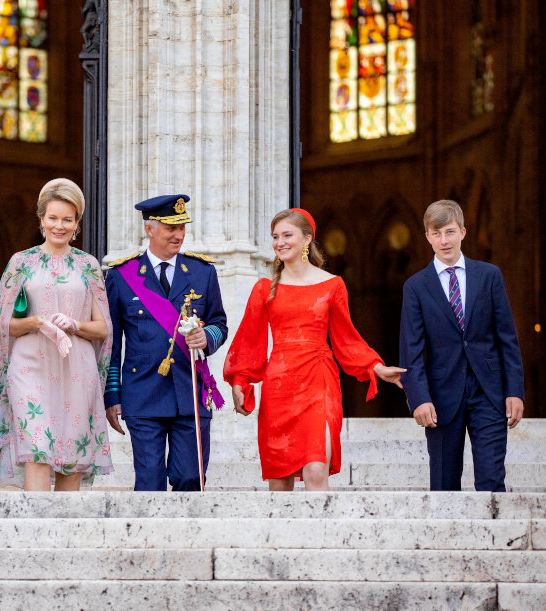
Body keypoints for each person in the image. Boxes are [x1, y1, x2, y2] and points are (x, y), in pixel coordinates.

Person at [224, 208, 404, 491]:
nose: (280, 242)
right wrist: (240, 380)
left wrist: (376, 367)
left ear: (307, 239)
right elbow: (249, 339)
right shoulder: (264, 288)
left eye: (287, 235)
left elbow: (347, 338)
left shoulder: (332, 284)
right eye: (275, 237)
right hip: (279, 385)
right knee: (279, 479)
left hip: (318, 380)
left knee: (316, 469)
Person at [0, 178, 114, 491]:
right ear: (41, 219)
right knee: (37, 449)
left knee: (71, 458)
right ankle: (33, 533)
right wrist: (37, 322)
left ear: (77, 222)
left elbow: (103, 328)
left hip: (76, 369)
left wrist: (74, 325)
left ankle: (65, 535)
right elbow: (4, 325)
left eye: (67, 219)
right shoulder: (20, 263)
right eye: (53, 218)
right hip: (29, 368)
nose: (60, 226)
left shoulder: (87, 265)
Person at [105, 194, 228, 491]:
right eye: (171, 228)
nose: (179, 234)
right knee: (149, 483)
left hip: (191, 392)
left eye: (182, 227)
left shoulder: (202, 272)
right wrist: (112, 395)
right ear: (150, 229)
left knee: (191, 478)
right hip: (142, 394)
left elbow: (219, 324)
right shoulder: (122, 276)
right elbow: (111, 343)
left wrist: (206, 337)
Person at [399, 200, 524, 491]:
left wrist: (514, 391)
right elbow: (411, 349)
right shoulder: (416, 287)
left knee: (492, 482)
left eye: (450, 232)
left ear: (463, 232)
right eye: (437, 233)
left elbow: (507, 337)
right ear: (427, 237)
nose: (444, 240)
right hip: (440, 398)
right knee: (443, 485)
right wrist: (418, 398)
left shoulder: (489, 276)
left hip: (489, 392)